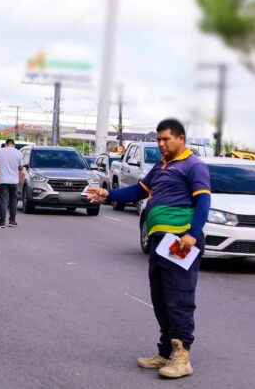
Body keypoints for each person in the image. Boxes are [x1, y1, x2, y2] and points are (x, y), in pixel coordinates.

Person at [87, 118, 211, 379]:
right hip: (160, 241)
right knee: (160, 296)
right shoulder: (162, 166)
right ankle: (165, 351)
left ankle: (182, 355)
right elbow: (137, 191)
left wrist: (193, 233)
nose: (161, 144)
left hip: (180, 241)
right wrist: (108, 194)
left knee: (179, 296)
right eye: (158, 140)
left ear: (181, 138)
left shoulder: (194, 165)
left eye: (166, 139)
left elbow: (203, 202)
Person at [0, 138, 24, 228]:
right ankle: (12, 222)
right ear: (13, 144)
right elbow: (21, 168)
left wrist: (1, 163)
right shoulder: (18, 153)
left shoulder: (0, 151)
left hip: (2, 180)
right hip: (14, 181)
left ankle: (2, 222)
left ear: (6, 144)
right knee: (13, 201)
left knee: (3, 201)